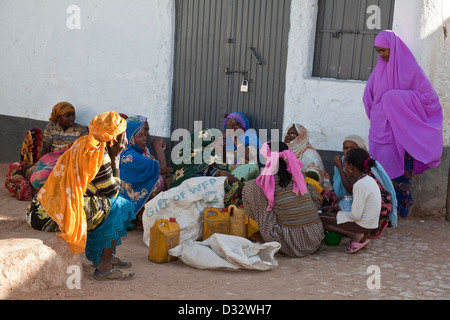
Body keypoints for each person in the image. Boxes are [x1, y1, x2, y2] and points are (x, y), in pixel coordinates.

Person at [26, 111, 136, 281]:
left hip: (39, 209)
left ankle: (103, 255)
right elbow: (112, 192)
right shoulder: (100, 155)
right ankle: (104, 267)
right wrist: (116, 159)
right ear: (113, 138)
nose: (125, 140)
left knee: (102, 205)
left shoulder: (81, 143)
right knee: (120, 205)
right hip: (54, 215)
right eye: (123, 135)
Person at [363, 30, 443, 217]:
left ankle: (400, 211)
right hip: (379, 132)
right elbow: (369, 97)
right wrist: (378, 115)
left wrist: (394, 99)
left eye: (384, 50)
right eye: (378, 51)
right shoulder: (379, 70)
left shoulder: (410, 70)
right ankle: (383, 212)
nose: (382, 55)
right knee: (378, 173)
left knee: (400, 176)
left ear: (394, 48)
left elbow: (430, 99)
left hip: (400, 135)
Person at [242, 142, 324, 257]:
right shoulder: (299, 176)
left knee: (251, 186)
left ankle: (267, 232)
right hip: (314, 238)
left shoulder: (265, 180)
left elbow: (253, 211)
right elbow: (317, 201)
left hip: (290, 244)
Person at [321, 148, 381, 254]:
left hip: (363, 225)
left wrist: (340, 211)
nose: (344, 169)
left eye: (344, 166)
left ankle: (354, 235)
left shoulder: (359, 185)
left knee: (321, 220)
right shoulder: (369, 180)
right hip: (371, 224)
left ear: (350, 167)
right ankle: (359, 235)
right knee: (328, 211)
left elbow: (355, 216)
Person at [333, 135, 398, 233]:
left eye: (352, 148)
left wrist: (339, 168)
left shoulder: (360, 167)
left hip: (379, 207)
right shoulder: (347, 161)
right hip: (367, 203)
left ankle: (368, 227)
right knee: (331, 199)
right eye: (345, 148)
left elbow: (349, 189)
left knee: (333, 206)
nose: (348, 151)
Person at [119, 119, 161, 230]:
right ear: (131, 139)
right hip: (123, 195)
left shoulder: (129, 151)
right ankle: (139, 219)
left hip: (123, 193)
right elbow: (161, 167)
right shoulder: (131, 156)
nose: (145, 138)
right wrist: (158, 147)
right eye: (140, 136)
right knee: (158, 181)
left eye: (145, 134)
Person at [283, 123, 332, 199]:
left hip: (310, 195)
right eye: (287, 134)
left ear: (301, 137)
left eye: (293, 135)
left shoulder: (310, 154)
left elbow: (314, 175)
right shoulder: (285, 152)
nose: (288, 137)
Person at [5, 127, 43, 201]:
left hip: (41, 170)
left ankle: (23, 185)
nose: (72, 119)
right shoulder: (51, 129)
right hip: (36, 167)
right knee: (34, 133)